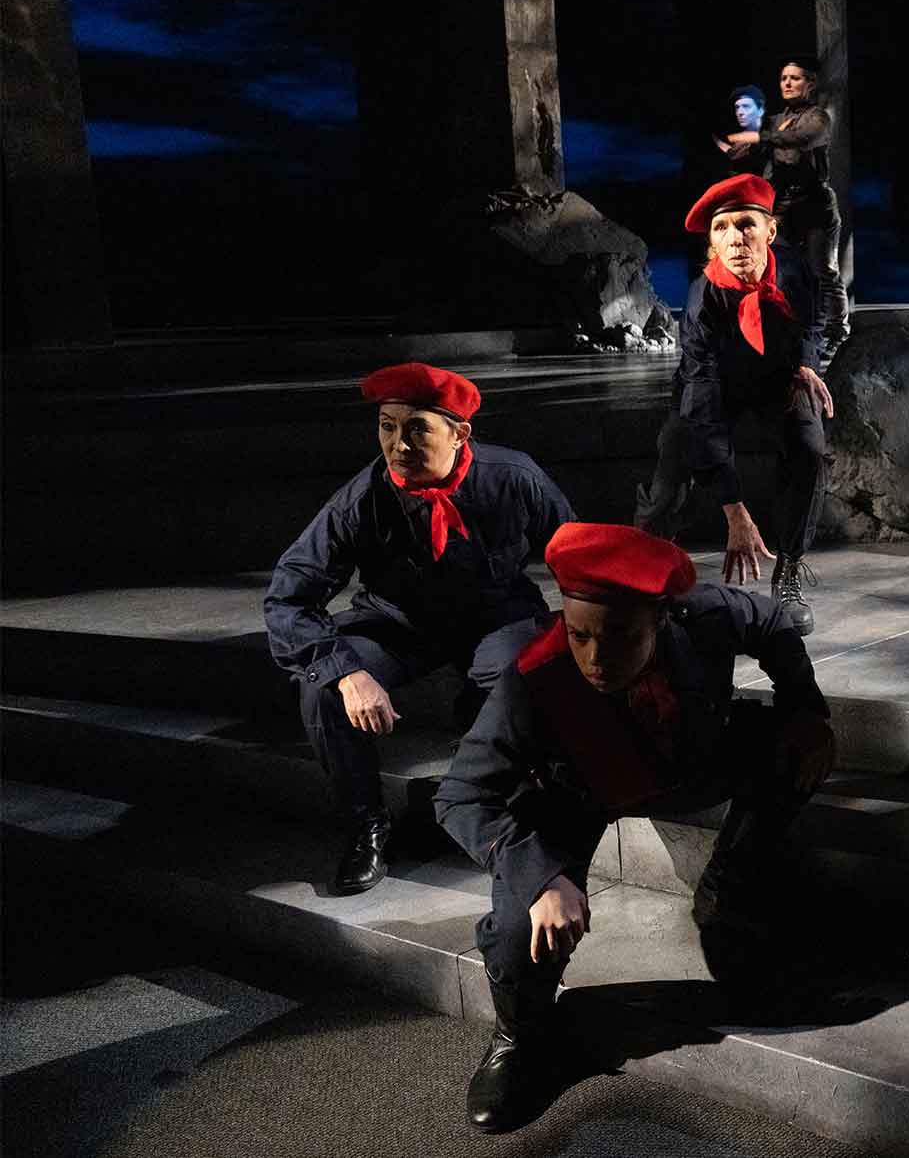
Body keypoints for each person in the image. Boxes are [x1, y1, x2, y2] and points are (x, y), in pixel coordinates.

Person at [435, 522, 835, 1133]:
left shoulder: (703, 615)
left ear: (662, 619)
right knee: (519, 927)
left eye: (620, 636)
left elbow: (773, 622)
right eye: (580, 635)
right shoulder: (532, 677)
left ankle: (727, 883)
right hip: (574, 795)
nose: (596, 658)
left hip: (684, 763)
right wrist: (542, 878)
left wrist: (804, 706)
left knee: (800, 747)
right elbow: (460, 794)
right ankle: (520, 1035)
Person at [265, 363, 574, 895]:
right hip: (399, 624)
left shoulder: (512, 476)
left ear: (459, 434)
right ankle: (368, 825)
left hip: (497, 615)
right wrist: (346, 674)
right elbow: (288, 595)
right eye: (387, 427)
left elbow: (577, 553)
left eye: (416, 429)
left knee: (516, 668)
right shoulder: (362, 499)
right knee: (323, 687)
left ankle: (493, 803)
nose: (398, 445)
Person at [633, 173, 831, 635]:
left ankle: (788, 568)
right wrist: (733, 509)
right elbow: (702, 402)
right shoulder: (702, 299)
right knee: (676, 449)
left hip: (779, 380)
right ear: (712, 242)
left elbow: (811, 324)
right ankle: (642, 567)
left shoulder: (796, 269)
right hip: (714, 388)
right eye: (721, 228)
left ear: (770, 231)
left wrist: (805, 365)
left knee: (810, 448)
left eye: (745, 225)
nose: (735, 238)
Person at [723, 55, 850, 357]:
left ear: (810, 83)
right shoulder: (775, 121)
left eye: (795, 78)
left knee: (823, 270)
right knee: (781, 271)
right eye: (783, 79)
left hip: (815, 205)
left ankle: (837, 333)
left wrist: (762, 137)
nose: (788, 83)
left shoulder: (818, 118)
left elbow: (802, 139)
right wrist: (741, 151)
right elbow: (758, 151)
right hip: (783, 206)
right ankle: (793, 332)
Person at [713, 84, 770, 178]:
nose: (740, 112)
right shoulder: (739, 142)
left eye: (746, 106)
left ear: (760, 110)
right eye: (737, 107)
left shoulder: (772, 133)